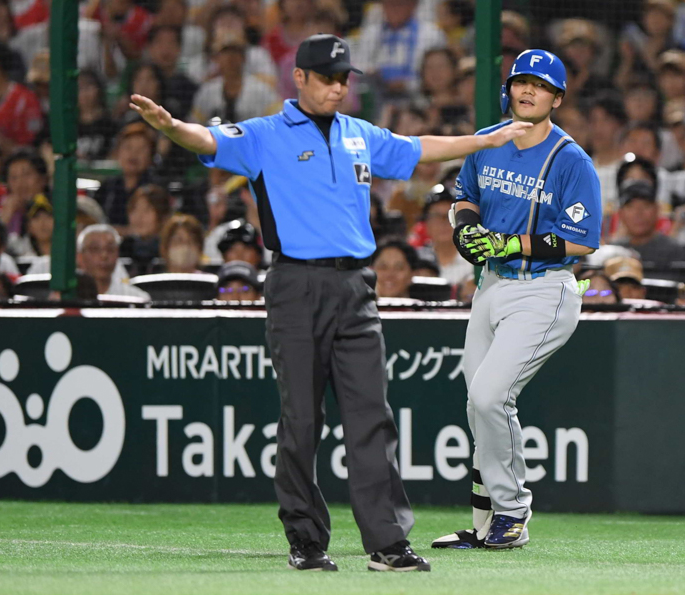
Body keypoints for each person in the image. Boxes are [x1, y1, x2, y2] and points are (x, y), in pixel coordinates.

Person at [129, 33, 530, 572]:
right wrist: (172, 127)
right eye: (328, 78)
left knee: (373, 416)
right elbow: (208, 140)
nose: (338, 87)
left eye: (344, 78)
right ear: (299, 79)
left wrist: (482, 143)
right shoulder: (266, 134)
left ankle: (387, 544)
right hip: (295, 285)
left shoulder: (359, 134)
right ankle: (306, 540)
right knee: (302, 419)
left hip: (356, 289)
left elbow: (416, 148)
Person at [433, 49, 601, 550]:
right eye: (521, 82)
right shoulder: (487, 141)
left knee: (490, 397)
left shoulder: (570, 159)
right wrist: (465, 230)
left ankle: (513, 513)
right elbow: (464, 196)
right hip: (492, 284)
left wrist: (513, 243)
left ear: (557, 97)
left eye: (540, 86)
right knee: (476, 404)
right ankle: (486, 522)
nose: (528, 91)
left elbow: (584, 239)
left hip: (543, 288)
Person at [76, 224, 151, 301]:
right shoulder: (69, 297)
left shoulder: (138, 299)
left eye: (110, 249)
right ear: (79, 257)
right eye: (95, 249)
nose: (104, 255)